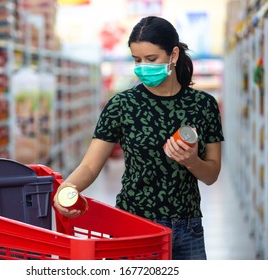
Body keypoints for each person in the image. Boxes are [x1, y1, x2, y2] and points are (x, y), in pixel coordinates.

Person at [54, 16, 224, 260]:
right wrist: (68, 188)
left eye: (151, 59)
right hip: (134, 225)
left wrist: (192, 161)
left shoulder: (203, 105)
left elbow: (212, 174)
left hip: (188, 227)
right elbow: (91, 165)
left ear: (173, 55)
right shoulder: (122, 105)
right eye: (137, 60)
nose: (143, 66)